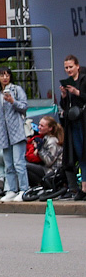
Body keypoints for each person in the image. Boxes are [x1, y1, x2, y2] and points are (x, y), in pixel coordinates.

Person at [0, 67, 29, 202]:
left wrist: (13, 101)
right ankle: (11, 189)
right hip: (3, 134)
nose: (4, 78)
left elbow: (24, 106)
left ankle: (24, 189)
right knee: (8, 164)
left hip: (17, 132)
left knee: (19, 163)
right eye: (2, 75)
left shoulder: (17, 90)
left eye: (7, 75)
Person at [59, 55, 86, 201]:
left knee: (84, 154)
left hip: (83, 121)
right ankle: (82, 187)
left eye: (70, 67)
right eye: (66, 67)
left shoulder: (83, 79)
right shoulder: (68, 83)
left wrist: (77, 93)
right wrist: (64, 95)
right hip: (73, 123)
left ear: (77, 66)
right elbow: (66, 107)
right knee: (78, 155)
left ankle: (83, 187)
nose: (68, 70)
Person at [25, 115, 64, 189]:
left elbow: (48, 162)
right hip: (46, 169)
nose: (39, 127)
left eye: (42, 126)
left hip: (52, 172)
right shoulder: (45, 138)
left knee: (25, 166)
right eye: (39, 125)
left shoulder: (52, 141)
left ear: (50, 128)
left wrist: (39, 148)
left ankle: (42, 185)